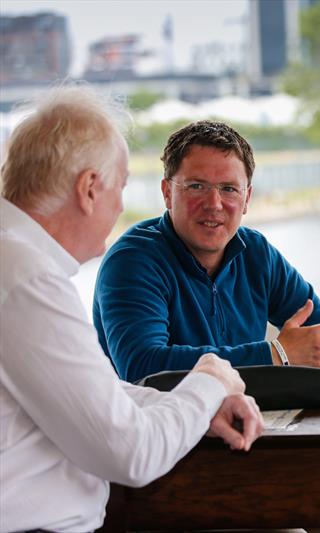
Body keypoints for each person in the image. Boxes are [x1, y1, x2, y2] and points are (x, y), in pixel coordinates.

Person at [0, 87, 264, 532]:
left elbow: (90, 392)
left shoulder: (16, 264)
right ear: (89, 189)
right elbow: (133, 454)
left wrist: (196, 406)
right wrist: (210, 378)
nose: (121, 206)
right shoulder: (25, 278)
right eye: (120, 187)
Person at [92, 120, 320, 389]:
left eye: (229, 189)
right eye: (196, 186)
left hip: (243, 431)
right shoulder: (132, 260)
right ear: (167, 192)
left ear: (247, 198)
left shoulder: (258, 255)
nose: (214, 203)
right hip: (156, 438)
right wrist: (275, 354)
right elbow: (142, 367)